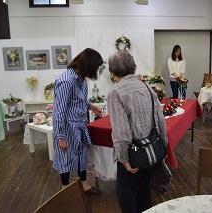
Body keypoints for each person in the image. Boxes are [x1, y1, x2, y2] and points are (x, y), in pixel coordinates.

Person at [107, 51, 168, 213]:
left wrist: (125, 160)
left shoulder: (115, 92)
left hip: (132, 156)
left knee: (127, 197)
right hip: (150, 152)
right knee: (144, 194)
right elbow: (160, 122)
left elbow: (121, 132)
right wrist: (163, 148)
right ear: (134, 69)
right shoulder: (148, 88)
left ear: (112, 73)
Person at [52, 48, 103, 195]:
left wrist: (90, 106)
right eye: (96, 67)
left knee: (81, 155)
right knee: (66, 159)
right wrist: (61, 137)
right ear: (88, 65)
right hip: (67, 127)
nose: (96, 71)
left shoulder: (82, 78)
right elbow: (59, 111)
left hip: (80, 124)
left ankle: (84, 184)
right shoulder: (66, 80)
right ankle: (64, 190)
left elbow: (77, 100)